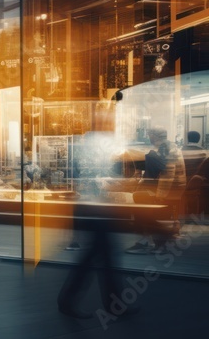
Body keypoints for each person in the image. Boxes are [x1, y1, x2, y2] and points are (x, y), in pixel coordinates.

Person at [57, 124, 138, 319]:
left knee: (100, 257)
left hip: (94, 209)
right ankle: (104, 304)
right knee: (100, 257)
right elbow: (91, 183)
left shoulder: (84, 154)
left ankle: (105, 303)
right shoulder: (94, 156)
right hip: (95, 210)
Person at [125, 127, 185, 254]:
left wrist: (160, 195)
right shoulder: (168, 146)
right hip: (174, 188)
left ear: (154, 135)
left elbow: (169, 172)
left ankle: (146, 240)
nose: (149, 137)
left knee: (139, 201)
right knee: (140, 197)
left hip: (170, 189)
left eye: (149, 135)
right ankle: (148, 239)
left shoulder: (165, 148)